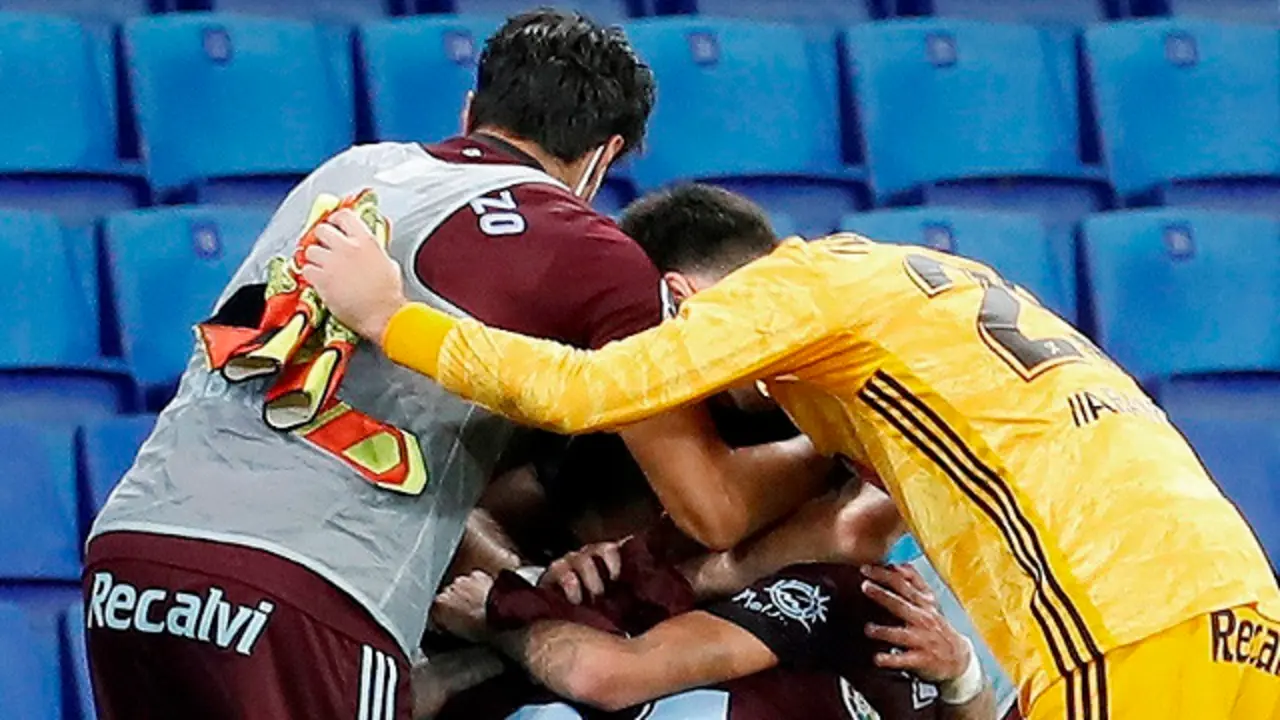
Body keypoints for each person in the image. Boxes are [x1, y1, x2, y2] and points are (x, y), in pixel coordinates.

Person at [305, 184, 1280, 720]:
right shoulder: (913, 287)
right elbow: (859, 510)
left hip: (1116, 619)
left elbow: (586, 391)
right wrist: (709, 564)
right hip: (1233, 604)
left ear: (684, 303)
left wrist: (391, 316)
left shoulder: (784, 295)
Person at [82, 17, 828, 718]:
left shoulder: (351, 170)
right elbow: (713, 509)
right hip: (309, 585)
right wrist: (835, 445)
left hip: (133, 558)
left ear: (472, 110)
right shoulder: (595, 255)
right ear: (603, 155)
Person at [430, 519, 996, 719]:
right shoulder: (856, 599)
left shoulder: (963, 665)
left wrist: (962, 676)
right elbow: (605, 676)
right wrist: (498, 614)